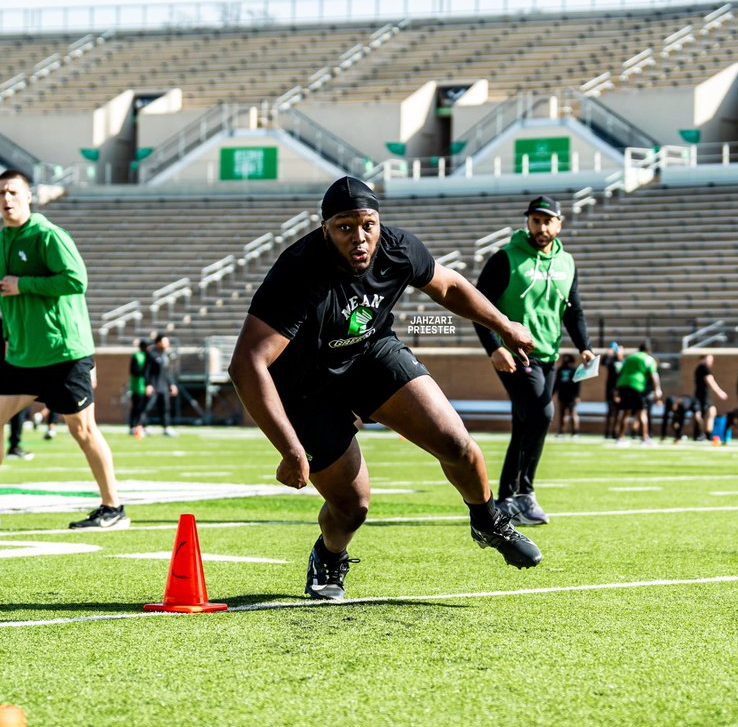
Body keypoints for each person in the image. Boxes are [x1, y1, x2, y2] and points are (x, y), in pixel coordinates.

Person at [229, 176, 542, 601]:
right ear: (324, 229)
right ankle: (329, 555)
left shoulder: (397, 247)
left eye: (368, 224)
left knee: (458, 444)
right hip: (305, 386)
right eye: (344, 227)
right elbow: (247, 362)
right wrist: (290, 448)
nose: (359, 237)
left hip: (371, 354)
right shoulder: (299, 271)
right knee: (352, 507)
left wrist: (504, 325)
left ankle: (488, 520)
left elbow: (448, 286)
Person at [0, 169, 125, 531]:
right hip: (22, 355)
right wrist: (10, 332)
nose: (6, 199)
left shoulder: (48, 235)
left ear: (29, 196)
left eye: (13, 192)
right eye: (0, 194)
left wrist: (23, 283)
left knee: (82, 430)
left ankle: (113, 508)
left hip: (63, 351)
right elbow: (5, 295)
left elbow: (77, 279)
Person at [474, 196, 594, 525]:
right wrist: (494, 348)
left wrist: (584, 345)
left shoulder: (567, 262)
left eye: (547, 221)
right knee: (543, 414)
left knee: (526, 423)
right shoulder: (506, 258)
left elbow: (574, 310)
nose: (541, 227)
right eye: (535, 220)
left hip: (549, 355)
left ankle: (509, 499)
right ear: (528, 222)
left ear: (559, 223)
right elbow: (478, 305)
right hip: (516, 354)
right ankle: (523, 493)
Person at [0, 317, 32, 460]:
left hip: (1, 371)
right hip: (16, 369)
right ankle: (13, 445)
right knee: (16, 410)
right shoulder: (20, 321)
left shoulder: (1, 321)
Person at [613, 340, 660, 444]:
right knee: (642, 412)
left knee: (626, 412)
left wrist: (616, 390)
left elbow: (620, 371)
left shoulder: (630, 357)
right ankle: (644, 437)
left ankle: (620, 438)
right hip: (637, 385)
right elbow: (654, 375)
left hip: (623, 384)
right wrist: (657, 389)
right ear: (649, 350)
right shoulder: (648, 358)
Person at [139, 332, 179, 437]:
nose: (167, 343)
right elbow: (146, 371)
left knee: (165, 408)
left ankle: (166, 428)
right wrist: (148, 384)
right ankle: (141, 428)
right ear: (158, 342)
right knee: (147, 407)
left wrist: (172, 384)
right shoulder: (151, 354)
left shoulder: (165, 355)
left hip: (164, 387)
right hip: (154, 386)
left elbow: (167, 372)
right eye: (165, 341)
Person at [692, 353, 728, 440]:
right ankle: (700, 434)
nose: (711, 362)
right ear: (702, 359)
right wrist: (720, 392)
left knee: (712, 411)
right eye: (709, 360)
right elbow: (710, 381)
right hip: (700, 396)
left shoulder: (701, 368)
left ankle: (708, 434)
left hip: (705, 396)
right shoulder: (703, 368)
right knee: (699, 416)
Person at [554, 353, 581, 439]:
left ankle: (574, 432)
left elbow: (577, 384)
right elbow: (557, 383)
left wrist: (576, 396)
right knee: (563, 413)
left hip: (571, 395)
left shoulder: (573, 370)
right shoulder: (561, 369)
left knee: (571, 413)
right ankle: (563, 432)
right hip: (563, 394)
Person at [602, 343, 624, 439]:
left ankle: (616, 432)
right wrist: (608, 353)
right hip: (611, 389)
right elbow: (603, 363)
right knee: (610, 411)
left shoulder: (625, 362)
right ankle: (607, 432)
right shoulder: (611, 361)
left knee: (619, 412)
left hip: (621, 390)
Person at [128, 338, 149, 435]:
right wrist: (144, 371)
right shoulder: (137, 356)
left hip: (146, 386)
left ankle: (142, 426)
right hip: (137, 386)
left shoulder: (148, 356)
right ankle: (133, 426)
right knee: (137, 407)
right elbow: (133, 370)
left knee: (144, 408)